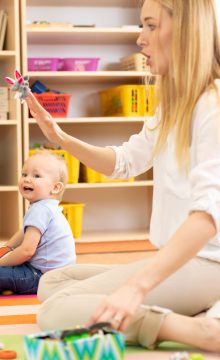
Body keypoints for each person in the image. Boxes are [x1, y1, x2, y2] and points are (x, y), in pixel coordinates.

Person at [22, 0, 220, 352]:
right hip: (183, 260)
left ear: (188, 32)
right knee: (53, 283)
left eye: (151, 26)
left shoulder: (213, 105)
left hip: (210, 264)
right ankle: (194, 309)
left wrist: (136, 287)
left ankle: (201, 330)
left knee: (56, 310)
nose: (140, 39)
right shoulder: (172, 107)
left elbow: (208, 216)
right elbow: (123, 162)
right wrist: (60, 138)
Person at [0, 150, 76, 295]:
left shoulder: (41, 210)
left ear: (55, 187)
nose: (27, 179)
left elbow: (27, 251)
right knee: (9, 261)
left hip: (46, 278)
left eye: (36, 176)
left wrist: (1, 262)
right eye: (24, 174)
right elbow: (24, 233)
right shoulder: (45, 206)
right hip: (49, 272)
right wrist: (6, 248)